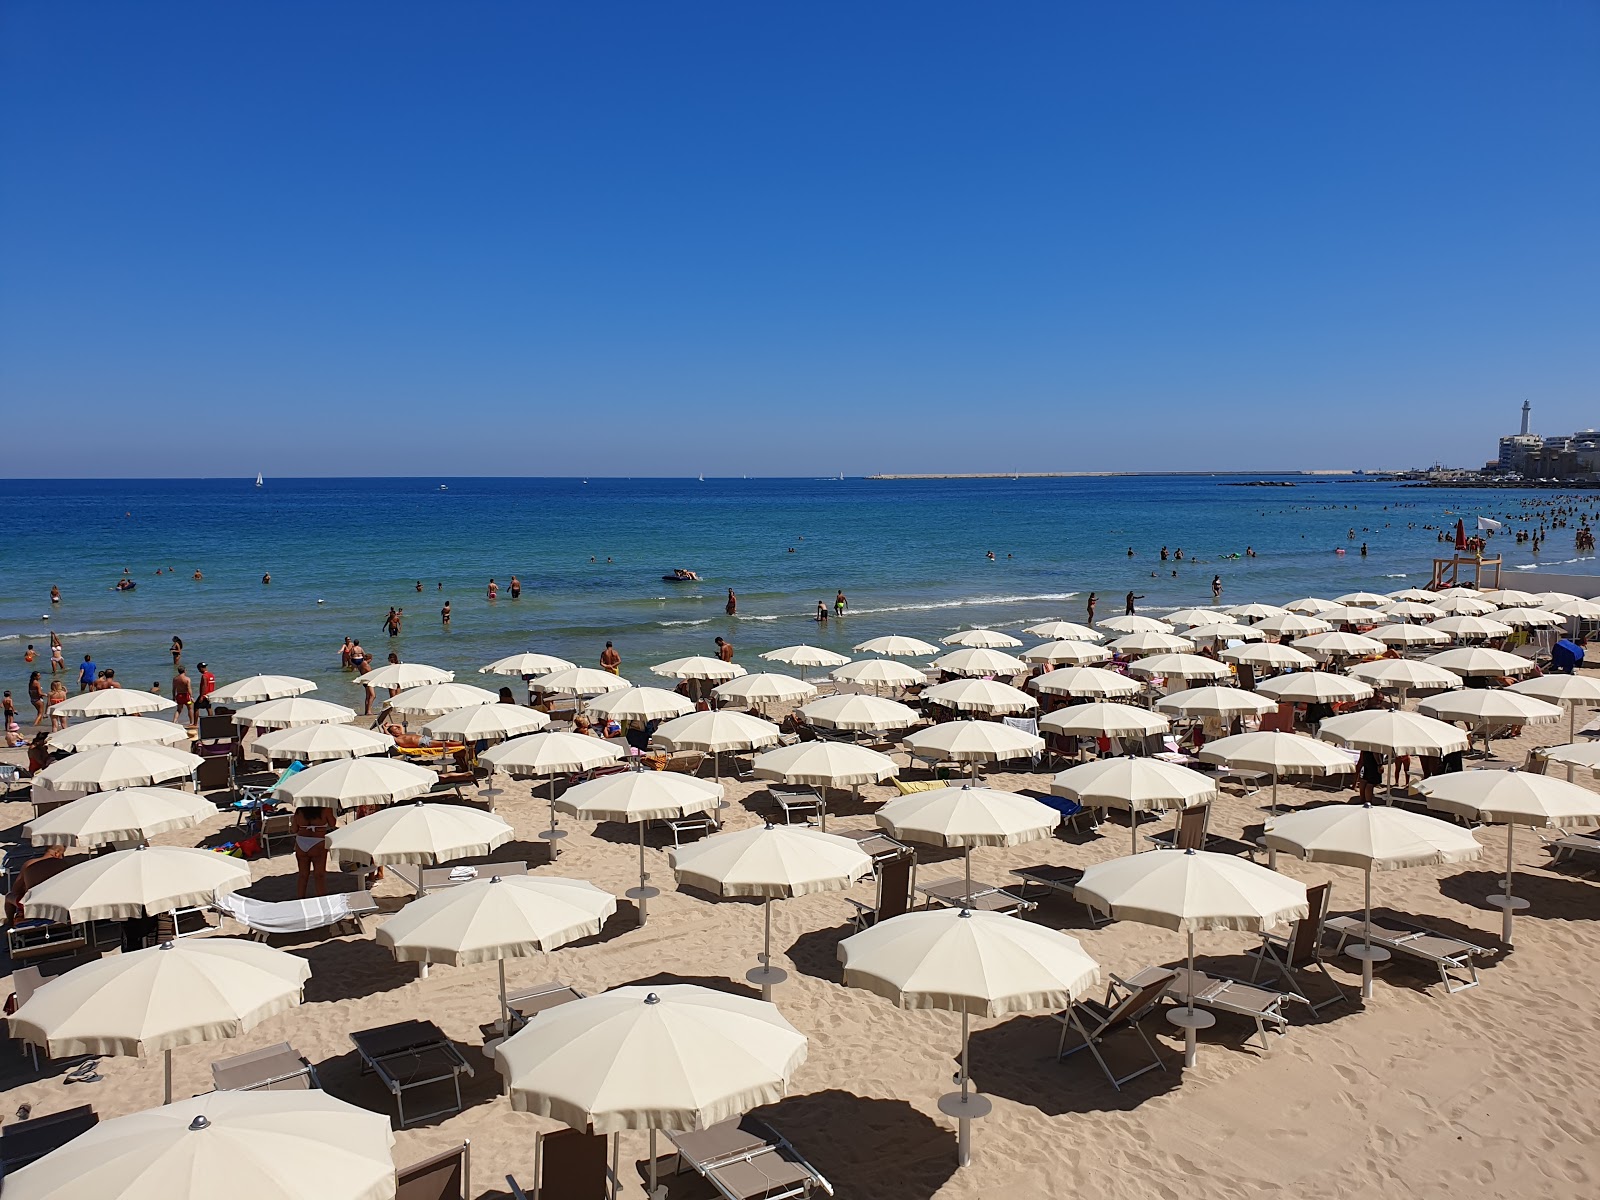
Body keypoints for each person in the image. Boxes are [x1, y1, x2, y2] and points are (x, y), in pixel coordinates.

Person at [6, 844, 68, 927]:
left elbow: (16, 889)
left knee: (9, 897)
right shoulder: (64, 864)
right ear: (57, 854)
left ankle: (9, 924)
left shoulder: (29, 864)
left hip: (33, 906)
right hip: (58, 904)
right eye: (62, 855)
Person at [291, 806, 336, 898]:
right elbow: (332, 824)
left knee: (303, 875)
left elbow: (294, 829)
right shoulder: (325, 809)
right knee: (319, 875)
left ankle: (300, 900)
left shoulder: (299, 811)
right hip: (318, 842)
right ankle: (322, 900)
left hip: (301, 842)